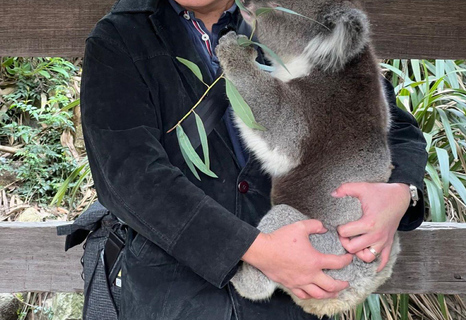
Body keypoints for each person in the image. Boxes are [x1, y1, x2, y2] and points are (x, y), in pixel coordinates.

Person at [80, 0, 428, 319]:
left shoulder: (298, 16)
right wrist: (258, 251)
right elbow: (130, 179)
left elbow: (388, 127)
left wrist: (401, 192)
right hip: (176, 297)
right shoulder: (122, 39)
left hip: (288, 302)